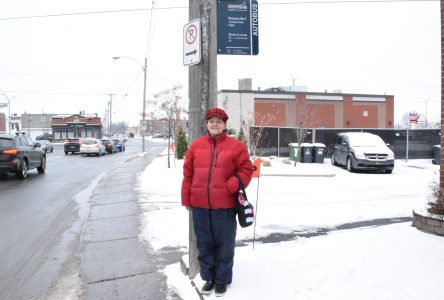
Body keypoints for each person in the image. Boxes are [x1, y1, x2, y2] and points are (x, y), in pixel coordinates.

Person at [181, 108, 253, 297]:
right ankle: (209, 278)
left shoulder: (236, 147)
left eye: (218, 121)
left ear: (224, 125)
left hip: (225, 207)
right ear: (207, 124)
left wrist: (232, 184)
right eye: (211, 121)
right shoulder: (196, 146)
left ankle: (221, 280)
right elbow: (188, 174)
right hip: (200, 206)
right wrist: (186, 198)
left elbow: (246, 170)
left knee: (224, 245)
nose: (214, 124)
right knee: (204, 245)